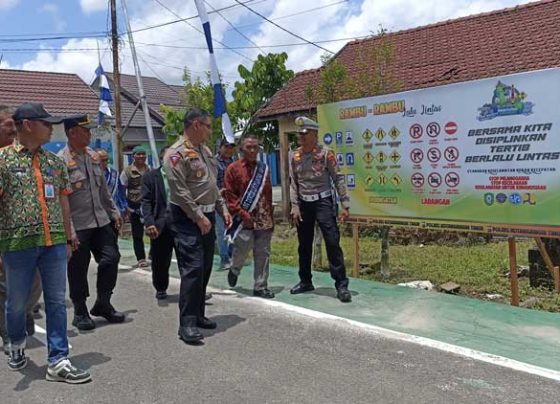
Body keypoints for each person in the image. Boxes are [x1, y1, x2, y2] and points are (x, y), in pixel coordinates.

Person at [0, 102, 91, 382]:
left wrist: (67, 237)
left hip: (53, 245)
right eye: (46, 123)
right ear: (27, 125)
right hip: (17, 246)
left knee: (55, 301)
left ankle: (58, 360)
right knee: (17, 303)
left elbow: (63, 201)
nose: (52, 129)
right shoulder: (2, 161)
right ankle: (16, 342)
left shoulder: (54, 162)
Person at [164, 108, 231, 344]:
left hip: (208, 215)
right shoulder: (176, 154)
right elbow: (179, 191)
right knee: (192, 268)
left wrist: (222, 208)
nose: (209, 131)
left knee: (204, 268)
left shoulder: (204, 151)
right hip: (186, 218)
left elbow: (211, 185)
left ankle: (199, 313)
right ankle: (187, 324)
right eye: (207, 125)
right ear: (195, 125)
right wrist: (198, 216)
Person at [58, 114, 125, 330]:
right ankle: (80, 311)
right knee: (78, 269)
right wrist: (69, 232)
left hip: (101, 221)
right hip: (78, 225)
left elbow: (103, 190)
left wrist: (114, 212)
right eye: (85, 130)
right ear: (72, 133)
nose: (89, 134)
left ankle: (103, 303)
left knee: (111, 258)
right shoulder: (60, 161)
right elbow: (61, 199)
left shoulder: (93, 156)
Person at [289, 116, 352, 303]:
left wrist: (345, 204)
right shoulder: (294, 156)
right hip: (304, 205)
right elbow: (294, 183)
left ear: (314, 134)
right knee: (304, 245)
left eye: (305, 134)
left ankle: (341, 285)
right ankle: (305, 281)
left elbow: (338, 178)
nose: (301, 137)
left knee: (332, 242)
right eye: (300, 134)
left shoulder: (326, 154)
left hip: (323, 202)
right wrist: (294, 206)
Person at [0, 107, 43, 354]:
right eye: (3, 122)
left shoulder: (26, 157)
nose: (9, 126)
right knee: (4, 287)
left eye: (11, 122)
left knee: (34, 283)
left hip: (31, 236)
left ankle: (24, 310)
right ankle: (7, 331)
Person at [223, 135, 275, 299]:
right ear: (241, 149)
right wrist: (243, 214)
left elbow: (268, 193)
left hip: (263, 218)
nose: (252, 150)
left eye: (255, 147)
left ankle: (260, 286)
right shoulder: (233, 169)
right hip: (243, 218)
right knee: (243, 249)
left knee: (263, 252)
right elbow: (230, 196)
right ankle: (234, 269)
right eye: (249, 147)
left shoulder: (263, 168)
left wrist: (271, 216)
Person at [141, 146, 174, 300]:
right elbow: (146, 202)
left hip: (182, 223)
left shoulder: (184, 176)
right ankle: (160, 287)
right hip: (160, 223)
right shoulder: (150, 177)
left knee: (190, 260)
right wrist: (149, 223)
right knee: (160, 260)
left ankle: (194, 290)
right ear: (161, 159)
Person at [120, 146, 150, 268]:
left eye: (143, 154)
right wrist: (125, 207)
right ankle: (141, 258)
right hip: (134, 207)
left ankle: (154, 255)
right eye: (139, 154)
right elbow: (122, 189)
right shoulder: (127, 172)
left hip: (148, 206)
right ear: (134, 156)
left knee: (154, 230)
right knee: (137, 234)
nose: (141, 156)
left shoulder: (150, 170)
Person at [215, 138, 236, 270]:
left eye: (231, 147)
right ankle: (224, 259)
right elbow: (210, 181)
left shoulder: (234, 162)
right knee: (222, 231)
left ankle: (231, 254)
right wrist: (219, 191)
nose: (229, 150)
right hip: (219, 201)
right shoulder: (214, 162)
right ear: (220, 147)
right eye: (226, 147)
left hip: (233, 201)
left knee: (234, 229)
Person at [97, 148, 128, 219]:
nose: (105, 162)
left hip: (113, 211)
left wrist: (124, 206)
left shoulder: (114, 174)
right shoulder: (91, 174)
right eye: (102, 160)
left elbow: (120, 192)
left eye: (106, 160)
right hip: (98, 212)